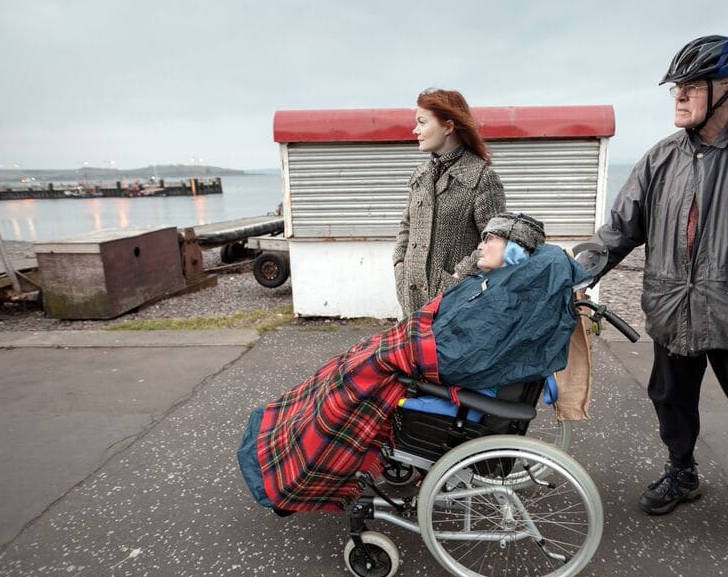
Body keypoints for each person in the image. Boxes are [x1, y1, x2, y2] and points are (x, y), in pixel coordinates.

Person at [576, 36, 728, 562]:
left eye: (691, 86)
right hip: (673, 310)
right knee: (670, 400)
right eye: (676, 88)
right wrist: (574, 274)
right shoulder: (660, 158)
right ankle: (682, 473)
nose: (680, 96)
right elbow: (618, 231)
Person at [239, 213, 586, 514]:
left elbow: (460, 354)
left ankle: (297, 474)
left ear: (513, 248)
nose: (480, 246)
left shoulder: (509, 294)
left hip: (435, 361)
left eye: (489, 239)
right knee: (350, 364)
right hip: (429, 348)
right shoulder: (506, 285)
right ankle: (287, 441)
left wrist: (415, 341)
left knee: (351, 376)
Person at [393, 89, 507, 316]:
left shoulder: (481, 177)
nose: (415, 130)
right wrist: (399, 266)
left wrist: (457, 277)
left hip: (456, 303)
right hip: (410, 299)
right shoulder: (421, 175)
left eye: (422, 122)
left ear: (448, 126)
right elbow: (407, 227)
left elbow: (497, 243)